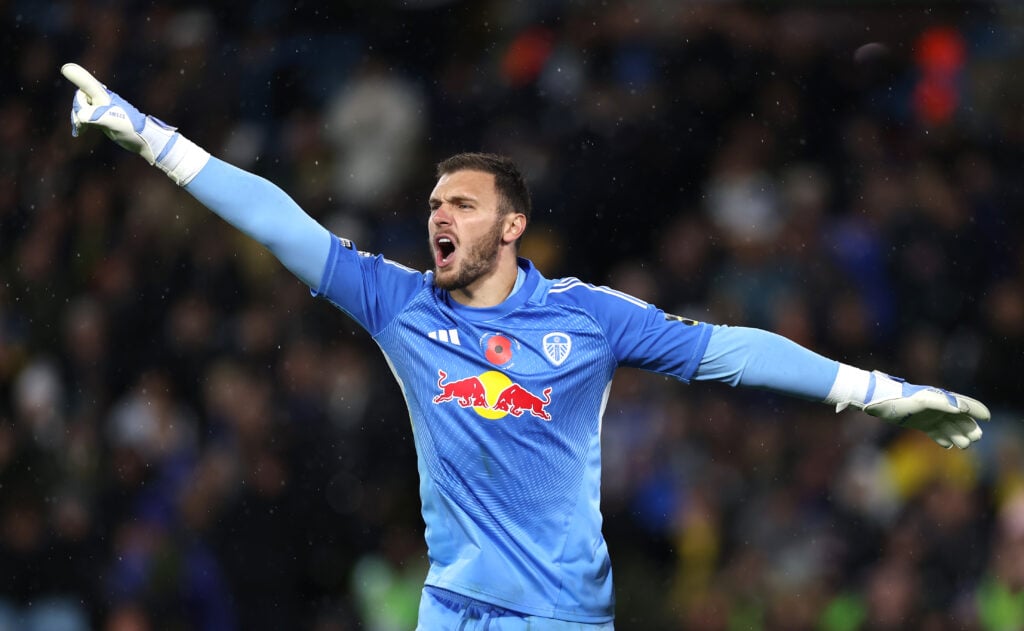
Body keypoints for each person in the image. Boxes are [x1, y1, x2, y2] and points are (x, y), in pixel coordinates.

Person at [60, 62, 990, 630]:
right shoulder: (400, 306)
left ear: (512, 226)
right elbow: (283, 223)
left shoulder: (586, 319)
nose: (438, 216)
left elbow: (723, 350)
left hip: (555, 615)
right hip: (448, 608)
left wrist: (874, 390)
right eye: (432, 204)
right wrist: (148, 137)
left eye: (460, 203)